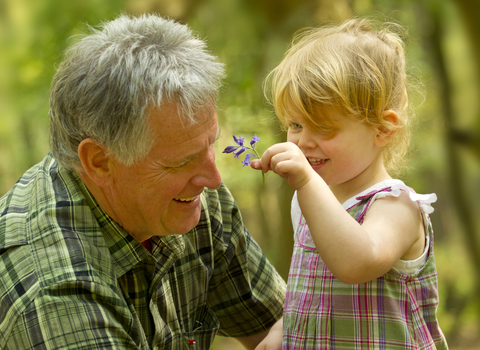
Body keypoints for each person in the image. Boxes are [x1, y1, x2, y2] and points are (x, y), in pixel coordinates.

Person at [0, 14, 286, 350]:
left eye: (210, 144)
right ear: (100, 162)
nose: (213, 179)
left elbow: (293, 329)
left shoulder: (190, 200)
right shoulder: (54, 292)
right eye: (181, 161)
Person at [252, 18, 448, 349]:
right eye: (296, 124)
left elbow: (357, 263)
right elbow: (313, 291)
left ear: (383, 129)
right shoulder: (307, 203)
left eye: (324, 128)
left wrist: (306, 183)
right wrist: (281, 329)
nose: (303, 142)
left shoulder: (396, 206)